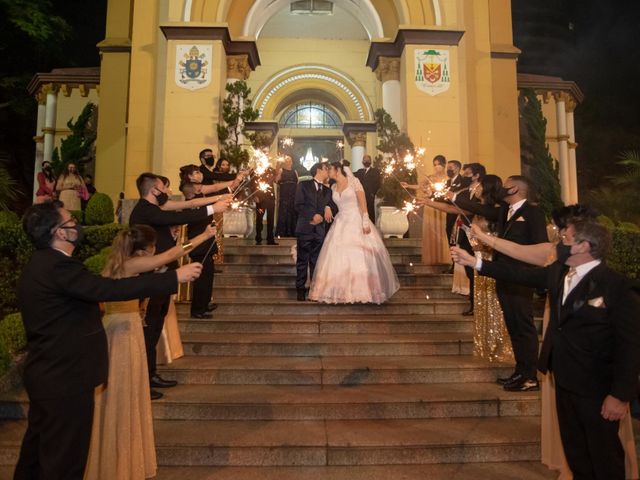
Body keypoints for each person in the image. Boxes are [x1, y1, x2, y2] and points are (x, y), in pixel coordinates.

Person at [13, 201, 201, 480]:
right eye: (70, 222)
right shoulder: (57, 267)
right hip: (66, 377)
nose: (77, 225)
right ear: (59, 233)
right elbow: (108, 289)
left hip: (50, 375)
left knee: (36, 456)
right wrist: (174, 278)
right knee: (64, 462)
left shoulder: (43, 264)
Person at [452, 218, 640, 480]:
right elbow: (520, 274)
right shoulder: (559, 274)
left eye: (565, 240)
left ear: (584, 246)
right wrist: (475, 263)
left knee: (605, 456)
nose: (559, 244)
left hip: (597, 387)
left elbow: (630, 346)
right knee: (577, 454)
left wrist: (620, 395)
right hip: (564, 380)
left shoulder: (617, 286)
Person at [85, 224, 215, 479]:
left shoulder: (118, 263)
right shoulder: (131, 264)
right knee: (121, 391)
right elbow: (171, 255)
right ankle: (118, 460)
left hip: (122, 327)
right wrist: (204, 236)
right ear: (145, 249)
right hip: (123, 332)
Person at [129, 173, 229, 396]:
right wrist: (214, 208)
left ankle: (151, 374)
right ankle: (144, 379)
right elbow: (182, 215)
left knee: (156, 325)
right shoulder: (145, 210)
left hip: (162, 274)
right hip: (152, 275)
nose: (168, 191)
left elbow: (184, 210)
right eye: (164, 188)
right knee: (150, 326)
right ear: (154, 190)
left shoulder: (153, 210)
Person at [309, 161, 400, 304]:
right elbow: (329, 201)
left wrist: (365, 220)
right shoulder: (332, 186)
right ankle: (337, 291)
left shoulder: (354, 182)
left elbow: (363, 203)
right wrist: (327, 206)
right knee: (337, 256)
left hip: (355, 220)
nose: (328, 172)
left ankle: (362, 291)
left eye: (330, 169)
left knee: (358, 254)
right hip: (340, 222)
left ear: (337, 169)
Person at [294, 162, 335, 301]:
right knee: (302, 260)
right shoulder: (303, 185)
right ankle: (300, 289)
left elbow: (331, 206)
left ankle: (314, 290)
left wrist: (326, 210)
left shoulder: (328, 190)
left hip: (319, 230)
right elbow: (298, 205)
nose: (328, 171)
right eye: (326, 169)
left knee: (316, 261)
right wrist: (313, 216)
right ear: (318, 170)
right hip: (305, 227)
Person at [275, 155, 299, 237]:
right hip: (284, 193)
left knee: (292, 212)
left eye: (290, 160)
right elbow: (276, 180)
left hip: (293, 194)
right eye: (287, 160)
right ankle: (282, 232)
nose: (289, 162)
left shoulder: (294, 171)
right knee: (284, 212)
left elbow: (298, 182)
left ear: (292, 162)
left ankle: (292, 232)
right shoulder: (282, 170)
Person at [253, 165, 277, 245]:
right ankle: (258, 237)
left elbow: (276, 177)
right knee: (259, 218)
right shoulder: (256, 170)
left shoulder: (271, 169)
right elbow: (253, 184)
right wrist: (255, 196)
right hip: (260, 198)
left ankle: (270, 238)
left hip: (270, 198)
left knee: (271, 219)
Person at [354, 154, 381, 223]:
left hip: (370, 196)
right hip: (360, 196)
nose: (366, 161)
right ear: (362, 161)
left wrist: (373, 193)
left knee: (370, 214)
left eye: (368, 160)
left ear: (370, 161)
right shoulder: (359, 171)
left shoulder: (375, 171)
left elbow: (378, 183)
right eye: (364, 160)